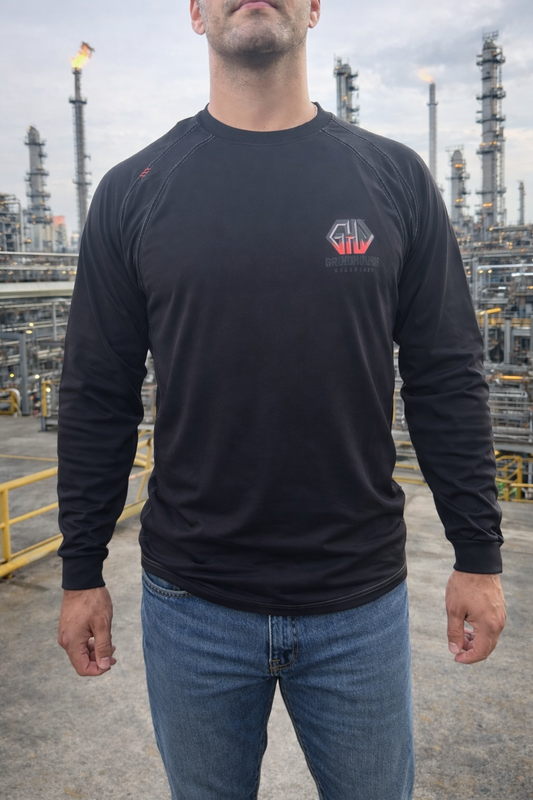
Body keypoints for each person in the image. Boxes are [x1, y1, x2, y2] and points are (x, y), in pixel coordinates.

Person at [57, 1, 506, 798]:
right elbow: (97, 393)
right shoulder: (134, 192)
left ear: (315, 8)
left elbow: (445, 373)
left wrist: (478, 555)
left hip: (357, 604)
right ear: (195, 12)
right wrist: (80, 569)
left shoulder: (393, 178)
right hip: (192, 603)